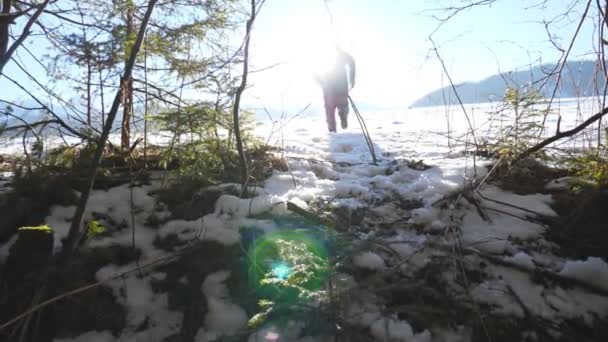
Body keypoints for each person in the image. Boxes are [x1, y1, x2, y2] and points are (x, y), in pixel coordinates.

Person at [316, 48, 356, 133]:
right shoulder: (341, 52)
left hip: (327, 86)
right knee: (343, 104)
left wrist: (321, 82)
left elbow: (314, 71)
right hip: (341, 84)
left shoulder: (319, 53)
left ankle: (332, 131)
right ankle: (343, 114)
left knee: (329, 109)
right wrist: (352, 78)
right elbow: (352, 62)